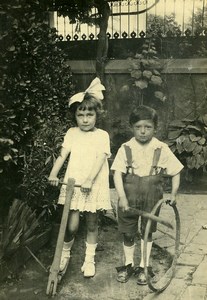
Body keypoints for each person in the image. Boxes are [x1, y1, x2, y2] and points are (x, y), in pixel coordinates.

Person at [111, 105, 184, 285]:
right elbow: (117, 174)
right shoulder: (125, 148)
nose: (143, 131)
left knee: (146, 232)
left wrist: (173, 194)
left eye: (148, 127)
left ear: (155, 127)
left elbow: (176, 171)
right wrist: (122, 197)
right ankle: (128, 264)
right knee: (128, 233)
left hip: (152, 198)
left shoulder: (161, 148)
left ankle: (144, 266)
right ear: (132, 127)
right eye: (138, 127)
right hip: (129, 197)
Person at [48, 77, 112, 278]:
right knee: (72, 224)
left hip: (92, 182)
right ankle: (64, 255)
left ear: (96, 115)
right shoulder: (72, 133)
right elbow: (62, 155)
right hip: (74, 182)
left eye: (89, 114)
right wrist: (53, 174)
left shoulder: (102, 135)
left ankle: (89, 259)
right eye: (80, 114)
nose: (85, 119)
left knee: (92, 223)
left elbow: (101, 159)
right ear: (75, 116)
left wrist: (90, 181)